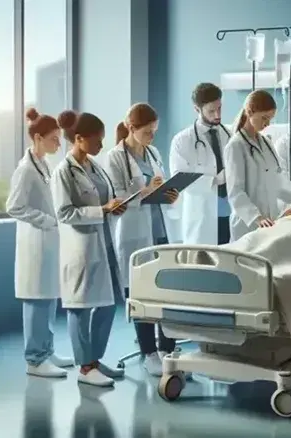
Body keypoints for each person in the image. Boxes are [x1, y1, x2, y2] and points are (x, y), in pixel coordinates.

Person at [51, 110, 127, 387]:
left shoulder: (96, 166)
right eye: (97, 140)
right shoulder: (64, 172)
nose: (101, 146)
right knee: (80, 308)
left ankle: (94, 359)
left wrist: (115, 206)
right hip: (81, 248)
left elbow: (105, 201)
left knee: (107, 305)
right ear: (79, 139)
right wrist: (101, 209)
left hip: (103, 242)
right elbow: (64, 213)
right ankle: (85, 368)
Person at [104, 103, 180, 377]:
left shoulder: (154, 152)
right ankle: (149, 351)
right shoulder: (115, 158)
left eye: (154, 132)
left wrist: (171, 193)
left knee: (166, 289)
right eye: (148, 132)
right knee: (141, 292)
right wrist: (148, 192)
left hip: (160, 229)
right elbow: (118, 199)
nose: (152, 137)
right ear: (132, 129)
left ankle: (167, 349)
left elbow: (163, 184)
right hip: (134, 232)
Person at [5, 108, 74, 378]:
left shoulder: (43, 163)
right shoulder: (25, 170)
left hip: (49, 243)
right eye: (54, 139)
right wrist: (47, 220)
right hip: (35, 243)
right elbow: (13, 206)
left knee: (48, 298)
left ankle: (47, 351)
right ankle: (34, 360)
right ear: (37, 137)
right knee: (36, 300)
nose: (58, 144)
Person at [223, 89, 291, 241]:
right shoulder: (235, 146)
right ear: (250, 112)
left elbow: (274, 182)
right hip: (247, 225)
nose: (267, 123)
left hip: (270, 221)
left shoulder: (267, 143)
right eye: (264, 118)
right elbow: (235, 192)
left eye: (270, 118)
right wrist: (256, 217)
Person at [168, 83, 232, 245]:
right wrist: (217, 179)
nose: (217, 114)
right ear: (197, 109)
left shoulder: (229, 135)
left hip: (230, 212)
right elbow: (180, 180)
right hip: (202, 217)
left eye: (219, 108)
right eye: (211, 111)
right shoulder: (182, 140)